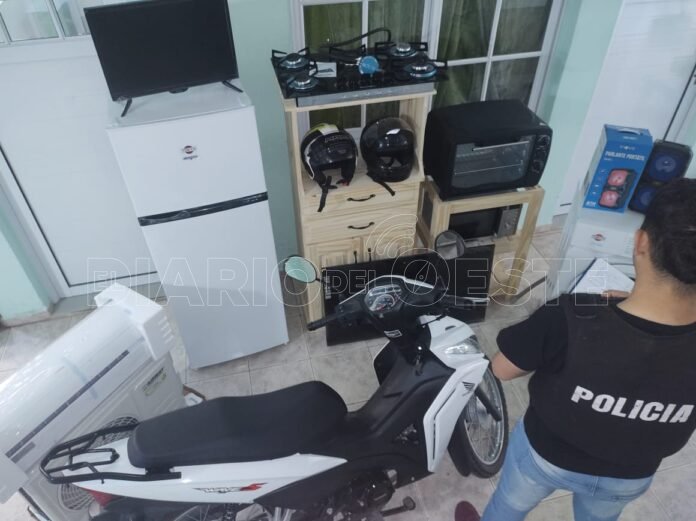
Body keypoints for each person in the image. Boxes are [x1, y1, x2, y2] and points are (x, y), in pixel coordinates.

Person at [456, 178, 696, 521]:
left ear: (641, 241)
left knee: (508, 508)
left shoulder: (571, 316)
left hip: (546, 455)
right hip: (631, 473)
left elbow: (501, 369)